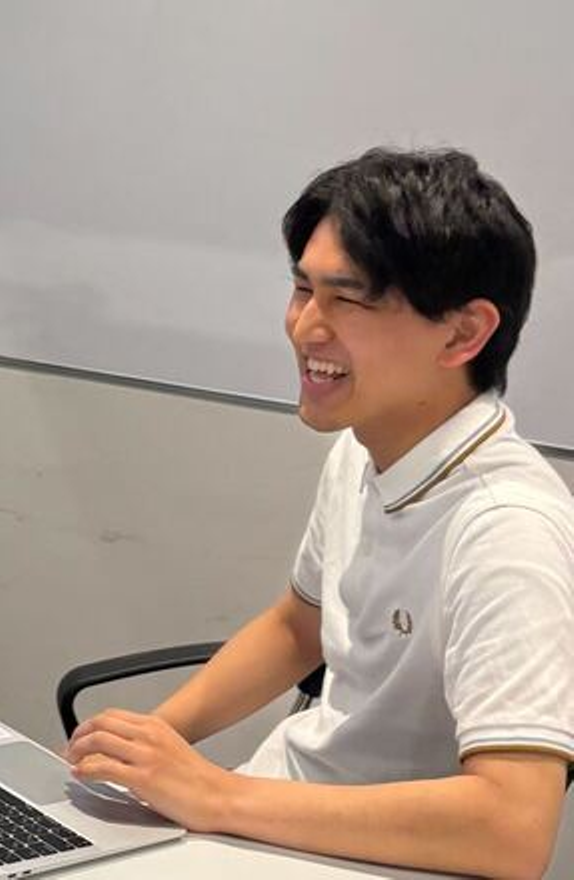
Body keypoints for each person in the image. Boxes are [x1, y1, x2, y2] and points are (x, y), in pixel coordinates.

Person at [66, 148, 573, 878]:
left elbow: (512, 829)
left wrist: (216, 795)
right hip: (269, 823)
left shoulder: (507, 530)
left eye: (348, 300)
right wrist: (145, 746)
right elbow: (297, 628)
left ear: (464, 333)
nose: (306, 327)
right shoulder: (366, 446)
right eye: (302, 288)